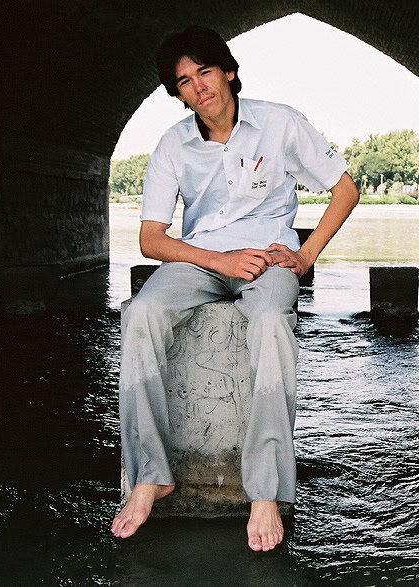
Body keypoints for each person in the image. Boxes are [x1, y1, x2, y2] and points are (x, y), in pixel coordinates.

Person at [109, 25, 359, 551]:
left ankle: (264, 490)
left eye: (205, 71)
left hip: (270, 257)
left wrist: (305, 256)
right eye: (184, 81)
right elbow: (152, 239)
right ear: (176, 94)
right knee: (140, 314)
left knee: (271, 322)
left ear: (227, 71)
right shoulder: (172, 145)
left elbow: (344, 189)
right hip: (202, 257)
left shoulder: (279, 123)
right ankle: (150, 475)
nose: (199, 86)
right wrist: (216, 257)